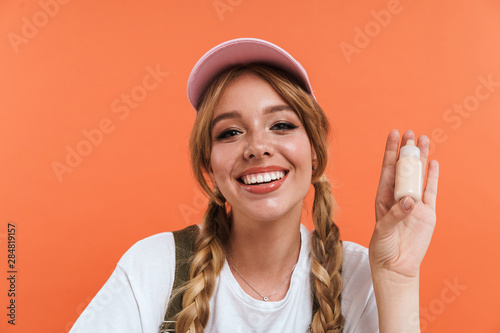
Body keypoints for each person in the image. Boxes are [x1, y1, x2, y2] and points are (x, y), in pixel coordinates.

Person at [70, 38, 439, 333]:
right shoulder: (154, 268)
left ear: (314, 152)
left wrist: (396, 279)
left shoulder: (358, 277)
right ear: (209, 169)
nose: (257, 147)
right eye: (230, 132)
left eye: (281, 125)